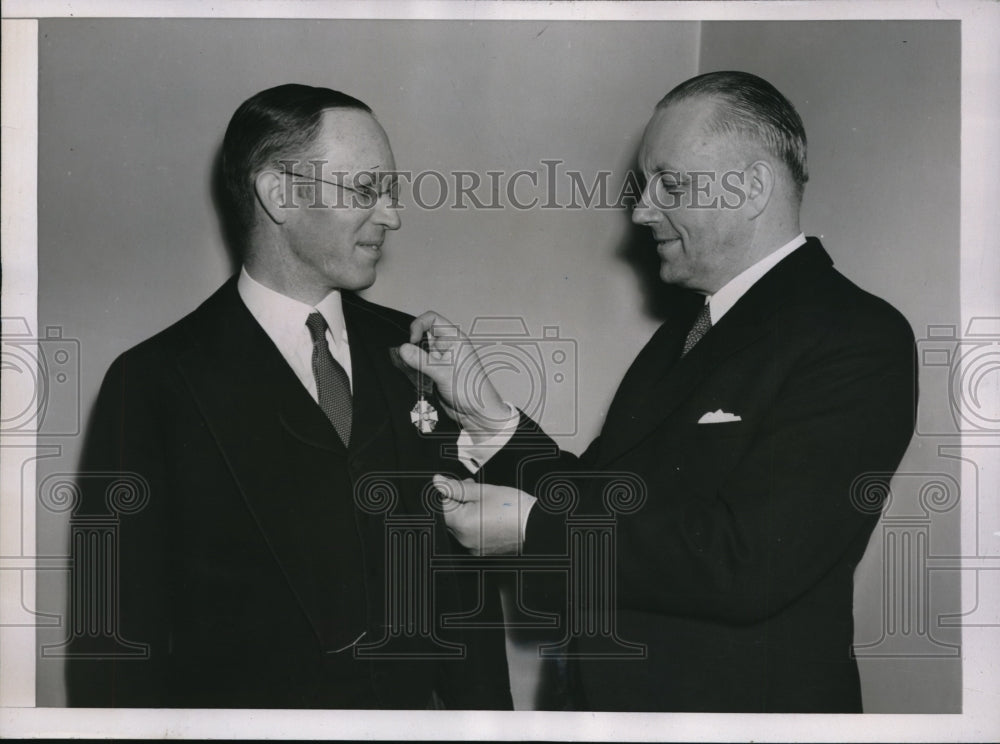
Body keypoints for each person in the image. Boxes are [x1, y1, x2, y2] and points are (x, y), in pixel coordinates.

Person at [400, 71, 917, 712]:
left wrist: (534, 529)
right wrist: (489, 415)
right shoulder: (689, 331)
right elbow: (607, 497)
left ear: (752, 188)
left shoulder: (857, 335)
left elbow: (747, 561)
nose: (642, 210)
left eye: (668, 183)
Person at [65, 84, 512, 709]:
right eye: (365, 190)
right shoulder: (153, 382)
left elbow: (463, 595)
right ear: (280, 193)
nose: (392, 215)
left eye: (391, 191)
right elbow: (114, 641)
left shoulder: (417, 352)